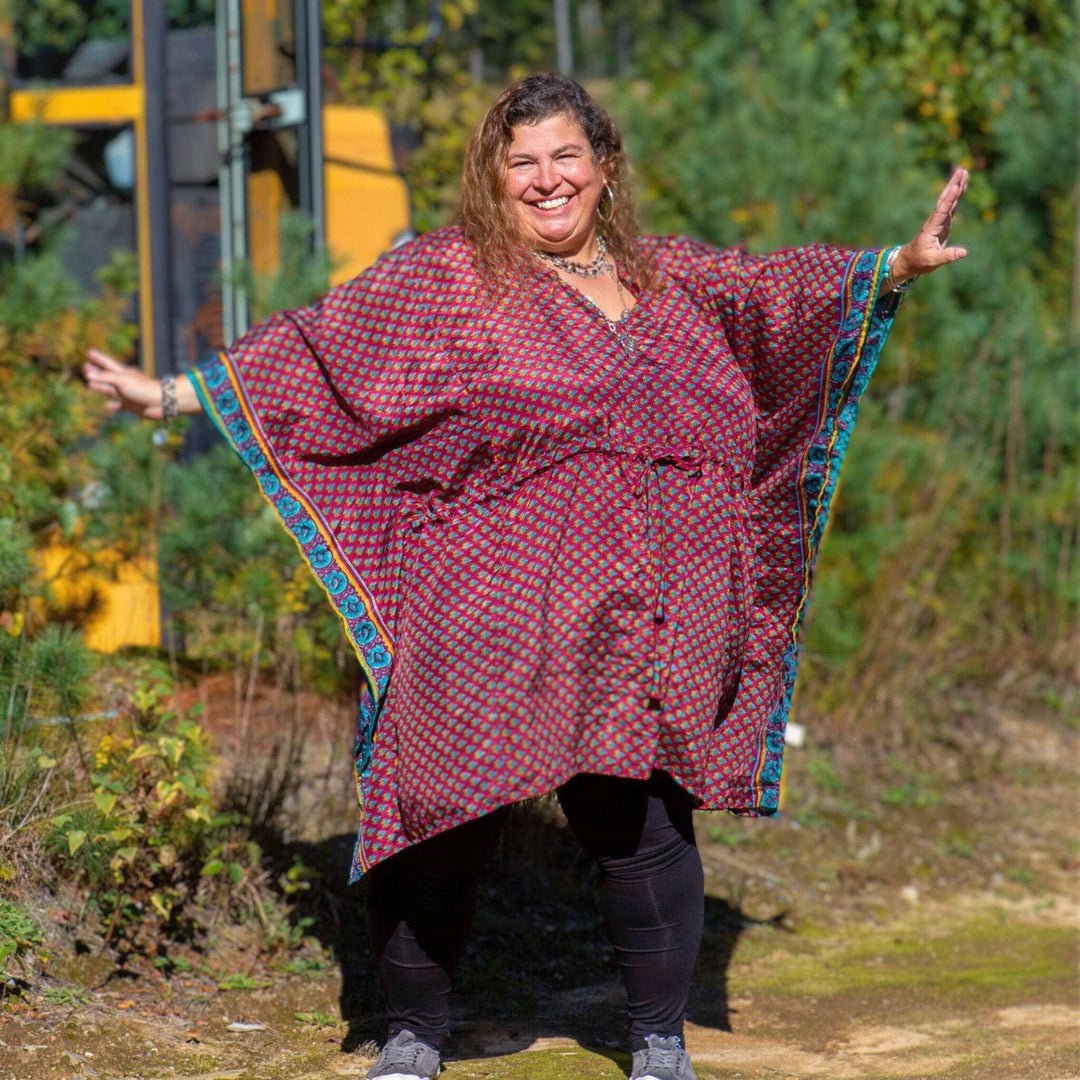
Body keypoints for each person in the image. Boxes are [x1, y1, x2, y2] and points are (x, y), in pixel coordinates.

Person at [84, 73, 967, 1080]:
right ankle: (416, 1031)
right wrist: (167, 394)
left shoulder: (675, 278)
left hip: (646, 616)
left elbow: (779, 295)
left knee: (639, 820)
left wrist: (896, 263)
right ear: (494, 180)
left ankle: (656, 1042)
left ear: (603, 167)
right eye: (523, 164)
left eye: (565, 157)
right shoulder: (452, 278)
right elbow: (319, 352)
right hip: (489, 605)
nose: (548, 180)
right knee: (446, 811)